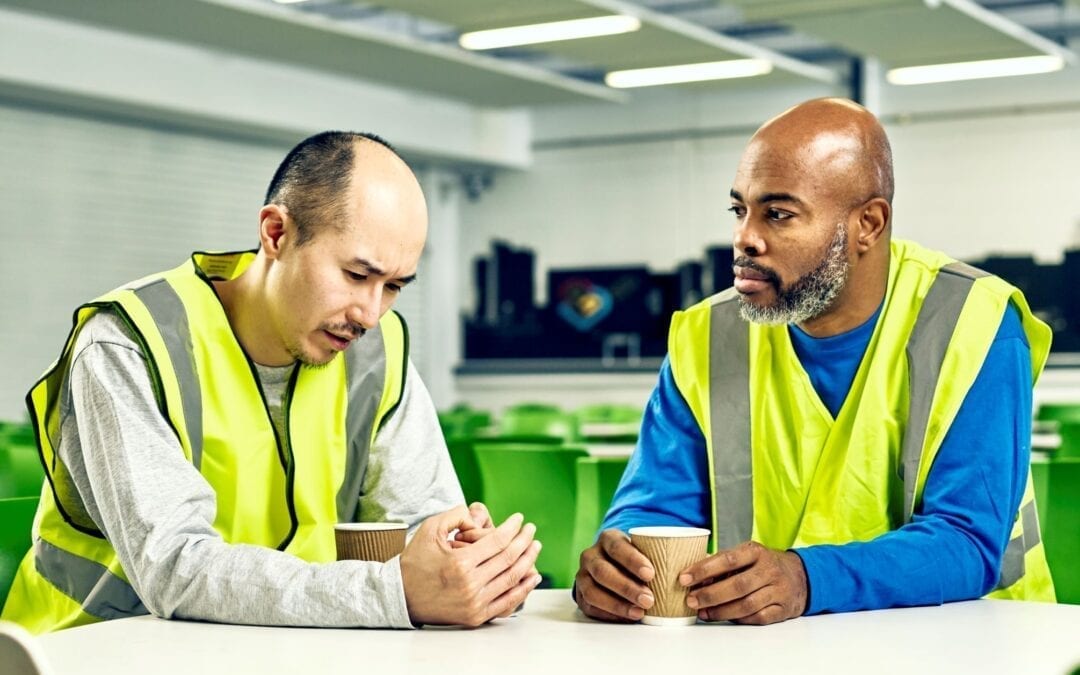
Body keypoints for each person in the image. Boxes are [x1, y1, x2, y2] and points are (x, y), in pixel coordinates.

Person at [3, 131, 542, 633]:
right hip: (88, 650)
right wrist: (394, 592)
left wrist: (474, 568)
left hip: (272, 647)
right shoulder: (127, 343)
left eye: (394, 286)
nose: (370, 313)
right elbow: (173, 566)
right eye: (356, 275)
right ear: (276, 233)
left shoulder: (379, 351)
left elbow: (422, 523)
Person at [574, 98, 1054, 625]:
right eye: (740, 210)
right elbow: (658, 510)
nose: (744, 238)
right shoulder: (706, 334)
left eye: (778, 214)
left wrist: (807, 578)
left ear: (867, 224)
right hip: (772, 649)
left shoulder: (976, 321)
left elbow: (967, 539)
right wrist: (622, 566)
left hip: (979, 643)